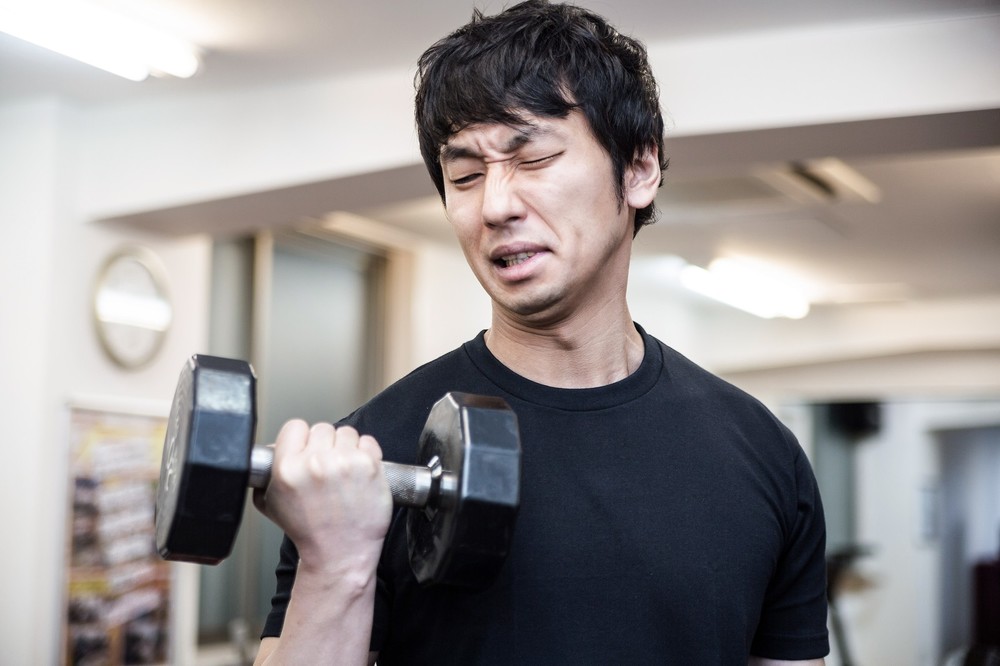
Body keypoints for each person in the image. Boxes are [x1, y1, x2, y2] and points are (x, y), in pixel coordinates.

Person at [253, 1, 830, 664]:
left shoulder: (762, 454)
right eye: (465, 176)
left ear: (638, 168)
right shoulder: (370, 456)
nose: (495, 205)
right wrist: (335, 564)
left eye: (533, 158)